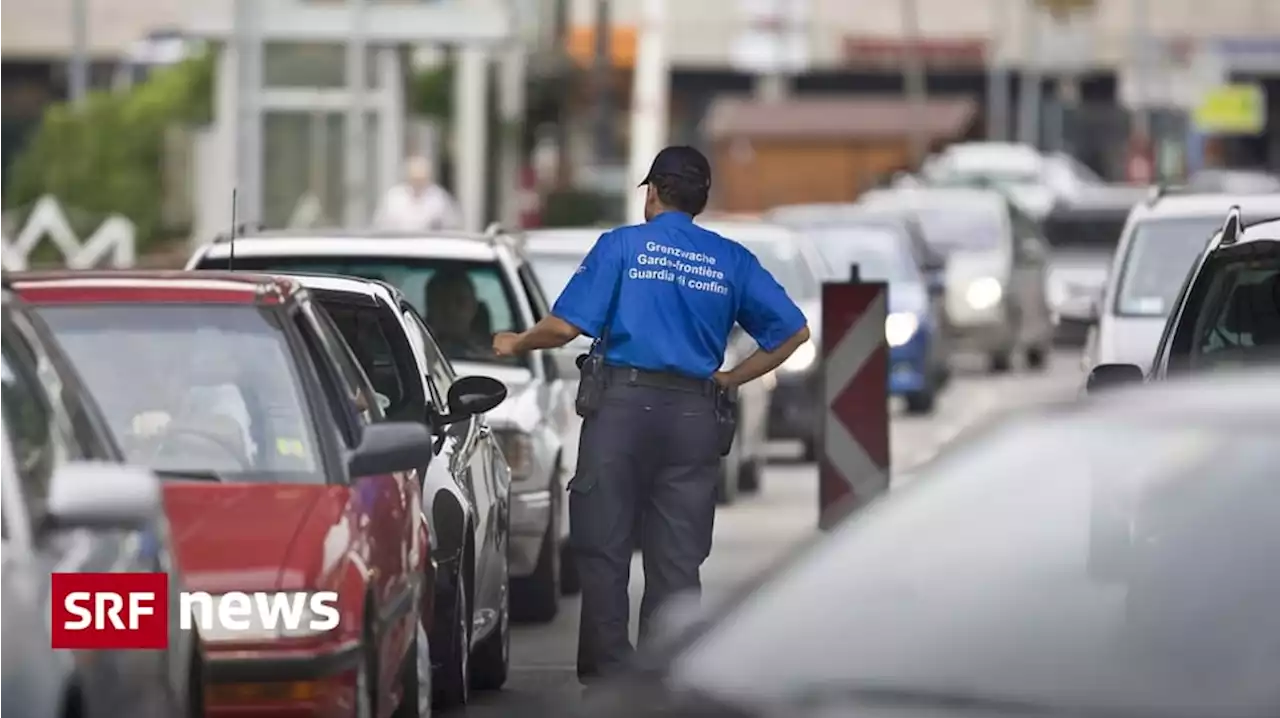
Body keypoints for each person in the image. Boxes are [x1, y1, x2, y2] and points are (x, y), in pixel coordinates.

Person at [492, 145, 810, 684]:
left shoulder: (621, 247)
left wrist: (515, 342)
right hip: (692, 418)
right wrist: (731, 378)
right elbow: (794, 333)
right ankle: (665, 683)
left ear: (653, 191)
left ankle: (611, 681)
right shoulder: (731, 260)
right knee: (678, 561)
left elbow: (565, 327)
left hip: (621, 413)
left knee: (604, 550)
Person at [373, 155, 461, 231]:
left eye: (422, 178)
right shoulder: (393, 198)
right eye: (415, 178)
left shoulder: (438, 197)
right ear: (408, 177)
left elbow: (450, 226)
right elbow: (381, 226)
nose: (418, 183)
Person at [425, 268, 492, 358]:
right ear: (429, 306)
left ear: (474, 307)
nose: (451, 310)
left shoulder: (491, 361)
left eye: (460, 301)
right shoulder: (413, 351)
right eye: (442, 301)